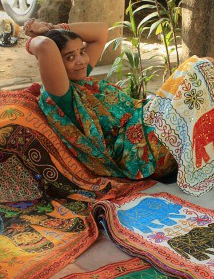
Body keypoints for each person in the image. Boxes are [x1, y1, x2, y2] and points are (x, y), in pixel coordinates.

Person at [24, 19, 176, 181]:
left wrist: (53, 27)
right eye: (70, 57)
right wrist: (32, 35)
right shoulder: (62, 94)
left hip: (146, 123)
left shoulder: (80, 79)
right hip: (137, 149)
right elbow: (44, 46)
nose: (81, 61)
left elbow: (101, 31)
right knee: (194, 74)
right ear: (56, 62)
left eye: (82, 52)